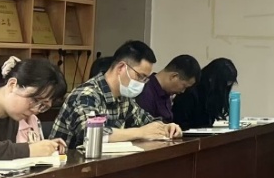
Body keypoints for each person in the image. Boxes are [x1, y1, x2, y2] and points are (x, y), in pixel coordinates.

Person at [50, 40, 182, 149]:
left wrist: (166, 127)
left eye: (145, 79)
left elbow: (147, 121)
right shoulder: (86, 95)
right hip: (67, 166)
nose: (142, 83)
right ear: (121, 68)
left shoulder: (124, 98)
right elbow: (92, 133)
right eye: (140, 76)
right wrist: (140, 132)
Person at [0, 56, 67, 159]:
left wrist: (45, 147)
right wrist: (28, 150)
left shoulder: (14, 114)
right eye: (34, 100)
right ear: (12, 85)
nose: (35, 110)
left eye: (43, 106)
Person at [173, 58, 238, 130]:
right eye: (223, 85)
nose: (224, 91)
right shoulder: (190, 91)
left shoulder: (213, 95)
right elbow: (181, 122)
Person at [137, 54, 200, 122]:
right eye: (184, 86)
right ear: (174, 76)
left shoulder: (166, 94)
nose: (183, 91)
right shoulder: (145, 93)